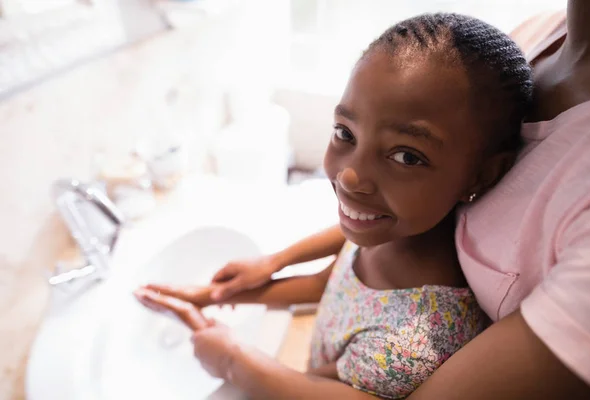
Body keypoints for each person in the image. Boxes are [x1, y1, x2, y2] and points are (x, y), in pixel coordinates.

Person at [135, 12, 534, 399]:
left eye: (407, 156)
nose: (350, 177)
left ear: (481, 176)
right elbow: (329, 281)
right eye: (345, 132)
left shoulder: (409, 348)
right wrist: (249, 276)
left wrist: (229, 359)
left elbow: (306, 387)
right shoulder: (400, 228)